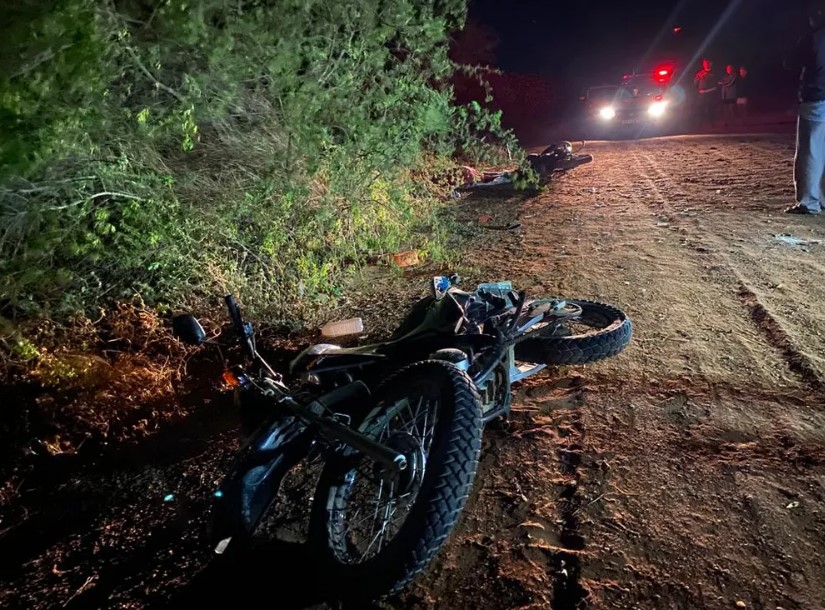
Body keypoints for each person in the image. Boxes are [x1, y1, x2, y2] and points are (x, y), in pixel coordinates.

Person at [784, 2, 825, 214]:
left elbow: (790, 62)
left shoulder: (813, 37)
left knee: (810, 150)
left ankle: (809, 202)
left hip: (817, 97)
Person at [693, 58, 718, 127]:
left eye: (707, 63)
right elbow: (695, 83)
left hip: (711, 92)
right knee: (700, 108)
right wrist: (697, 79)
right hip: (702, 93)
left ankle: (712, 123)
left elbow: (716, 82)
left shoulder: (714, 72)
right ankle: (700, 123)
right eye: (704, 63)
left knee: (711, 108)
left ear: (711, 64)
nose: (706, 65)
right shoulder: (700, 73)